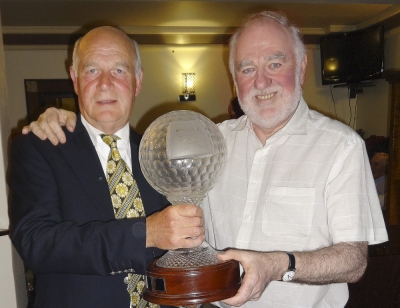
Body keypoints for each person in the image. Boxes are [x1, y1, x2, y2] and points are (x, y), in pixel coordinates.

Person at [23, 11, 388, 308]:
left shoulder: (341, 146)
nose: (261, 81)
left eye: (275, 63)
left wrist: (278, 265)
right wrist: (57, 117)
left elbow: (354, 261)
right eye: (247, 69)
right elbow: (39, 242)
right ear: (234, 79)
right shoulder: (208, 142)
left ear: (302, 66)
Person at [9, 26, 205, 308]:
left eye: (119, 70)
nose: (104, 83)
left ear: (138, 81)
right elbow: (36, 243)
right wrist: (145, 234)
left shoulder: (163, 156)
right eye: (91, 71)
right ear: (74, 79)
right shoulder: (38, 147)